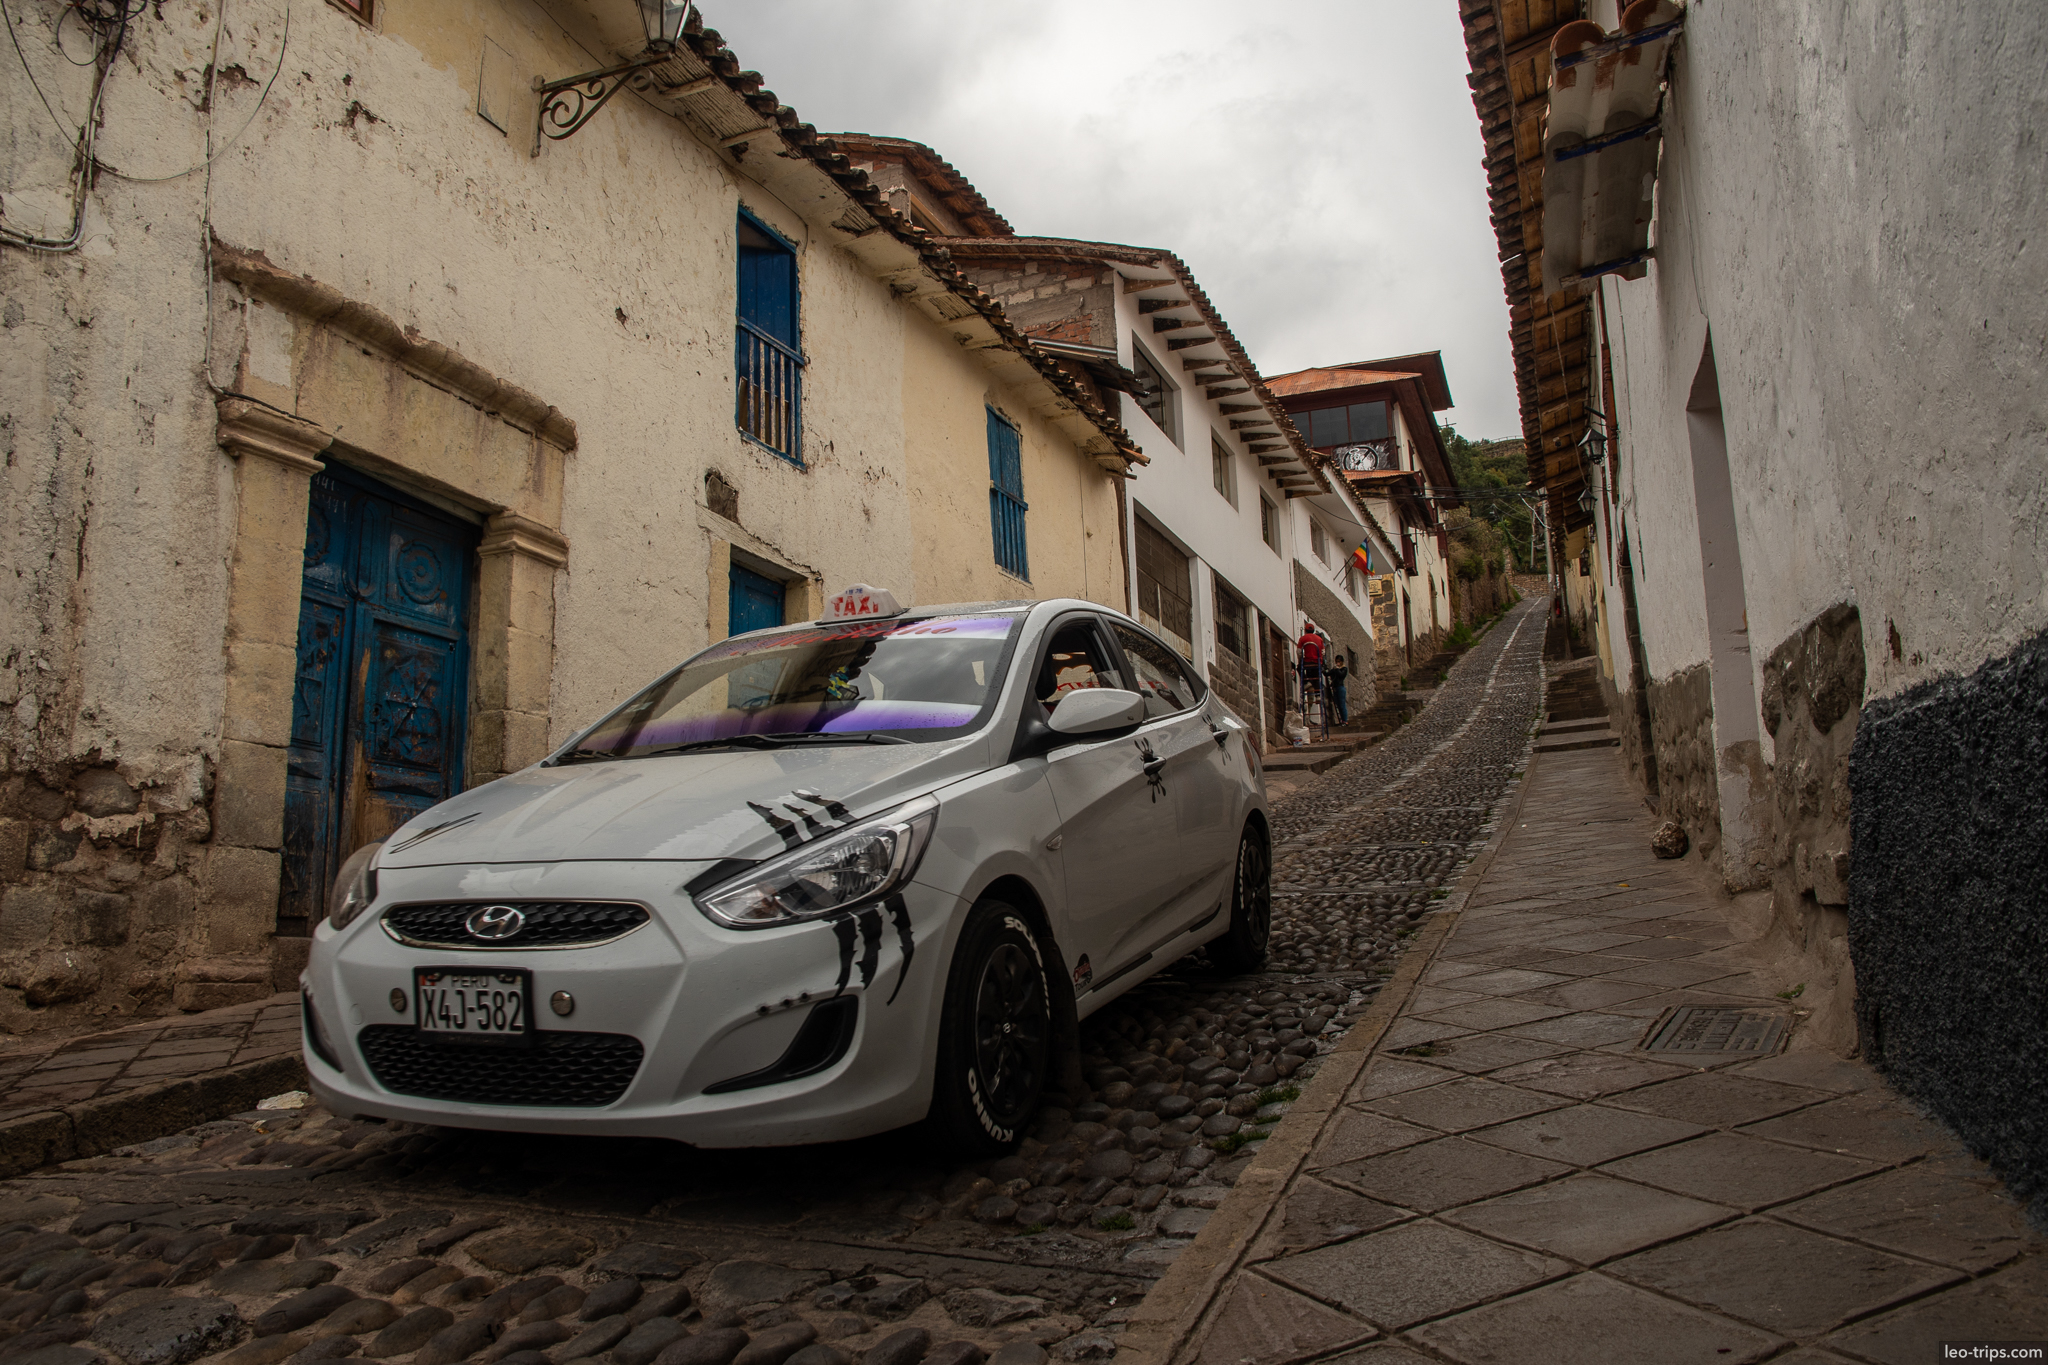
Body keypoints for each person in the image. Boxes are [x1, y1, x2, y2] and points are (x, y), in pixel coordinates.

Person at [1328, 652, 1350, 724]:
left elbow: (1341, 675)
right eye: (1337, 661)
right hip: (1335, 688)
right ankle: (1341, 720)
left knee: (1342, 704)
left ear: (1341, 662)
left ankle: (1345, 720)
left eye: (1339, 661)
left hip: (1340, 687)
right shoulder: (1335, 669)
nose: (1338, 663)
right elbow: (1328, 673)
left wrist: (1337, 669)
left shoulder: (1344, 669)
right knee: (1338, 704)